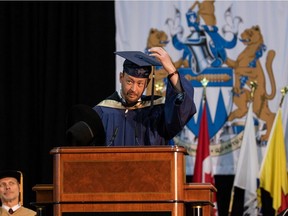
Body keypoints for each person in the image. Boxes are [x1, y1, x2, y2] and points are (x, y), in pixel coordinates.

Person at [93, 47, 196, 146]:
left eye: (140, 84)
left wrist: (171, 70)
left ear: (147, 83)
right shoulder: (102, 112)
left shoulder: (158, 112)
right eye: (129, 81)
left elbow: (183, 108)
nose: (133, 89)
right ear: (121, 77)